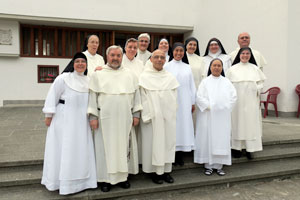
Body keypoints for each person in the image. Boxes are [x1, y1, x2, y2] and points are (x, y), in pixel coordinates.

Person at [88, 45, 142, 192]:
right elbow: (92, 97)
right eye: (113, 55)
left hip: (125, 118)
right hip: (105, 120)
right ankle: (106, 179)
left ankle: (123, 178)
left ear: (121, 57)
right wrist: (93, 116)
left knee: (124, 147)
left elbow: (137, 97)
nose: (115, 58)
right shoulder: (98, 75)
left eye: (118, 55)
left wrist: (136, 114)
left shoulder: (130, 74)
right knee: (105, 149)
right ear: (107, 56)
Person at [41, 52, 97, 195]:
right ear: (73, 63)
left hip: (81, 122)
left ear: (86, 65)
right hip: (63, 119)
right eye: (77, 61)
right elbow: (52, 95)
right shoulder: (63, 78)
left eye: (83, 62)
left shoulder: (89, 80)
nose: (80, 64)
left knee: (79, 150)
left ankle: (82, 182)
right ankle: (60, 183)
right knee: (63, 149)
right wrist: (49, 114)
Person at [139, 49, 179, 184]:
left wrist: (171, 112)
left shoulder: (170, 77)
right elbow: (142, 98)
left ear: (165, 60)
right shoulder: (144, 77)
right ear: (151, 59)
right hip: (152, 118)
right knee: (153, 145)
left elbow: (174, 97)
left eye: (162, 57)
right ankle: (154, 173)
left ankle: (166, 171)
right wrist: (149, 114)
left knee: (167, 143)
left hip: (167, 117)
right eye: (156, 57)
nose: (159, 60)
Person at [194, 58, 237, 176]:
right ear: (210, 67)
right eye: (214, 65)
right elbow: (199, 97)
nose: (217, 67)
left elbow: (233, 97)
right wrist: (209, 106)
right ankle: (208, 166)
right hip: (208, 116)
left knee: (221, 139)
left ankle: (219, 166)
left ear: (222, 68)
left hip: (222, 117)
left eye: (219, 65)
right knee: (207, 139)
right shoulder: (205, 82)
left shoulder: (227, 82)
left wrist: (224, 107)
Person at [227, 47, 266, 159]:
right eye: (243, 53)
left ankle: (249, 149)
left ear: (250, 55)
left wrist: (256, 88)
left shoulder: (255, 68)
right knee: (236, 123)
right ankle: (236, 148)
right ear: (239, 55)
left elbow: (261, 83)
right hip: (236, 103)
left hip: (251, 102)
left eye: (247, 53)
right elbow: (227, 85)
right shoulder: (232, 69)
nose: (245, 55)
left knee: (250, 124)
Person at [164, 42, 196, 166]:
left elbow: (191, 85)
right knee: (173, 127)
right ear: (172, 52)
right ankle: (172, 154)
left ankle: (180, 154)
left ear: (184, 53)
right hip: (172, 101)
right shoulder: (167, 66)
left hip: (185, 101)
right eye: (176, 51)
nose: (178, 53)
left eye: (181, 51)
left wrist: (193, 101)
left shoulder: (187, 67)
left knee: (183, 126)